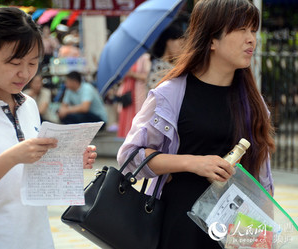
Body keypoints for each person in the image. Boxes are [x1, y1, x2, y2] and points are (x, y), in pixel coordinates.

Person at [117, 0, 275, 248]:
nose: (251, 39)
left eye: (253, 30)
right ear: (212, 39)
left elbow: (262, 180)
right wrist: (194, 163)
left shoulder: (254, 104)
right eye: (241, 29)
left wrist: (266, 234)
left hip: (233, 230)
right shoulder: (169, 95)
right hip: (180, 225)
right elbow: (130, 156)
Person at [0, 7, 97, 249]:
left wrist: (69, 160)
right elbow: (13, 161)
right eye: (14, 63)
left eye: (33, 63)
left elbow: (31, 175)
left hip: (38, 239)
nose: (25, 73)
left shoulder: (29, 104)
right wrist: (12, 157)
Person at [117, 53, 151, 137]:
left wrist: (132, 74)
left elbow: (148, 77)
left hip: (138, 93)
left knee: (137, 116)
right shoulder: (126, 59)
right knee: (125, 115)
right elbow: (120, 80)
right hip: (126, 92)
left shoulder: (144, 58)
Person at [147, 24, 184, 90]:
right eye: (180, 44)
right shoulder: (159, 66)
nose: (181, 49)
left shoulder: (169, 65)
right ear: (169, 42)